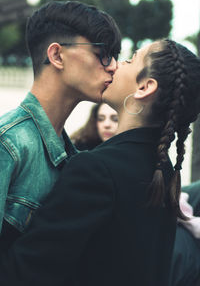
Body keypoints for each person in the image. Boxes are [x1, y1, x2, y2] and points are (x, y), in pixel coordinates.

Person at [1, 38, 200, 286]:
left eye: (130, 59)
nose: (115, 65)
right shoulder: (164, 173)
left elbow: (25, 272)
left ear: (145, 87)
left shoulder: (97, 170)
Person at [0, 0, 121, 250]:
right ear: (57, 55)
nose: (113, 66)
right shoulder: (9, 144)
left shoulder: (74, 157)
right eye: (103, 54)